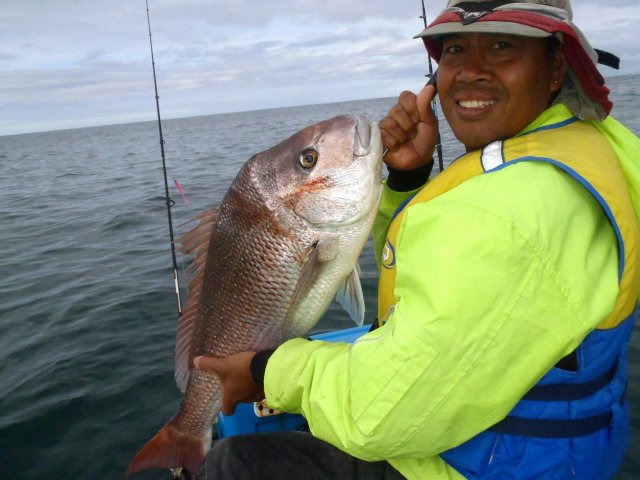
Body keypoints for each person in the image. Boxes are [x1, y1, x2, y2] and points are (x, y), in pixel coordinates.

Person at [193, 1, 640, 478]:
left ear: (556, 66)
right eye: (454, 50)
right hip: (527, 452)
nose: (471, 72)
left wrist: (267, 373)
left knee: (233, 464)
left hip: (474, 467)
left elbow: (377, 417)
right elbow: (436, 267)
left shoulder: (515, 209)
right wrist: (408, 179)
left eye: (503, 46)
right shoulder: (578, 146)